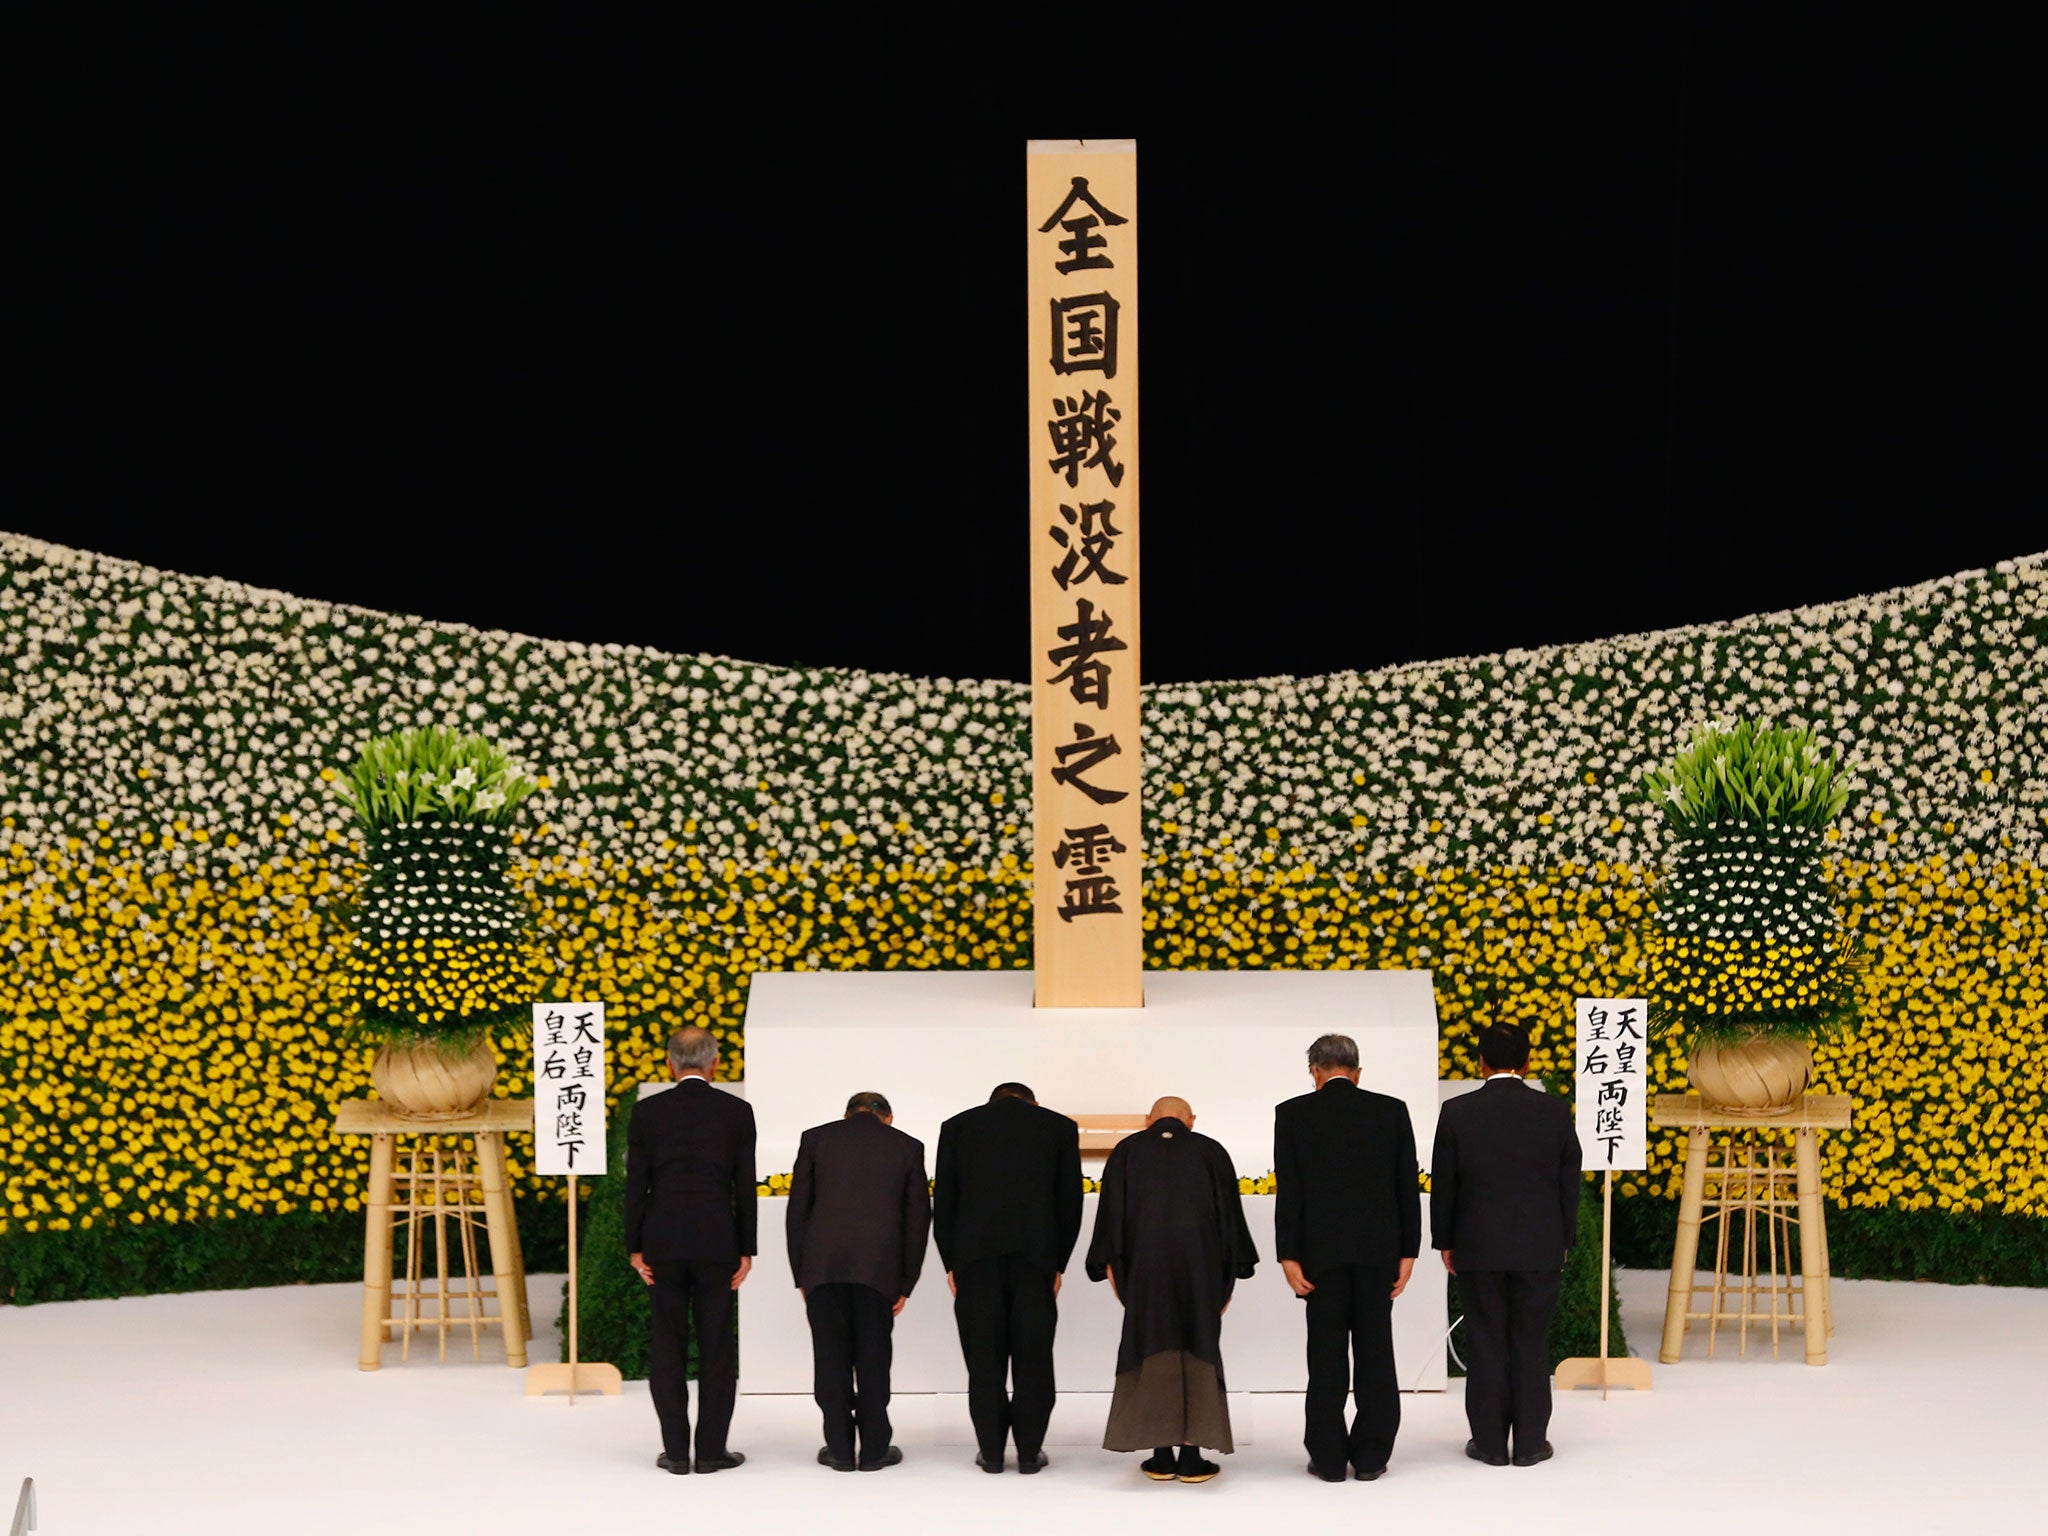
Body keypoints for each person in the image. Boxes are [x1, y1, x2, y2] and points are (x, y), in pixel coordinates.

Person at [1430, 1023, 1582, 1469]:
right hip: (1539, 1247)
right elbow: (1568, 1182)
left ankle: (1490, 1444)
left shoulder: (1457, 1112)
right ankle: (1532, 1443)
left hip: (1477, 1247)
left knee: (1485, 1340)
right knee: (1531, 1343)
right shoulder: (1553, 1112)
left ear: (1481, 1062)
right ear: (1528, 1062)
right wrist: (1564, 1239)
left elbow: (1446, 1185)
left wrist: (1446, 1241)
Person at [1085, 1095, 1258, 1484]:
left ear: (1149, 1119)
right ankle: (1193, 1457)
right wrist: (1230, 1277)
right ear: (1191, 1120)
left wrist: (1111, 1268)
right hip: (1202, 1268)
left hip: (1144, 1269)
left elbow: (1111, 1215)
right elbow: (1229, 1218)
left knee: (1150, 1345)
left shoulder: (1127, 1151)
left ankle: (1160, 1456)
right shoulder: (1211, 1151)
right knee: (1198, 1344)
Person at [1273, 1033, 1421, 1483]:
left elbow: (1290, 1191)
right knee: (1377, 1354)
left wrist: (1288, 1255)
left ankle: (1329, 1456)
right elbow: (1405, 1188)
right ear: (1357, 1072)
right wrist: (1408, 1252)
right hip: (1379, 1255)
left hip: (1320, 1257)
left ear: (1315, 1072)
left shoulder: (1292, 1114)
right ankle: (1372, 1455)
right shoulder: (1391, 1111)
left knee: (1326, 1356)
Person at [624, 1025, 757, 1476]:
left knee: (668, 1345)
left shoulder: (646, 1113)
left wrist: (634, 1246)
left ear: (670, 1064)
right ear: (715, 1063)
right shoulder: (737, 1112)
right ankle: (713, 1451)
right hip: (718, 1239)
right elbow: (744, 1187)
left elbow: (636, 1187)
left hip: (662, 1240)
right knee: (717, 1347)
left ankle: (676, 1452)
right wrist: (747, 1247)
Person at [933, 1081, 1084, 1474]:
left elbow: (946, 1201)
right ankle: (1030, 1453)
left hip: (975, 1260)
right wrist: (1059, 1263)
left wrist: (951, 1263)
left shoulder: (958, 1127)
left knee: (984, 1361)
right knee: (1034, 1359)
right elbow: (1070, 1202)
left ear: (992, 1100)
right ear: (1034, 1101)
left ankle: (992, 1453)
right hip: (1036, 1259)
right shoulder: (1058, 1127)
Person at [786, 1090, 932, 1473]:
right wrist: (906, 1281)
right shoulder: (907, 1146)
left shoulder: (816, 1139)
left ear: (847, 1114)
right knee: (873, 1357)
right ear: (889, 1116)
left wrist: (802, 1272)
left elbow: (797, 1209)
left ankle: (838, 1449)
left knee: (830, 1357)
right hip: (879, 1269)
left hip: (822, 1267)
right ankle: (874, 1450)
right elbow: (918, 1220)